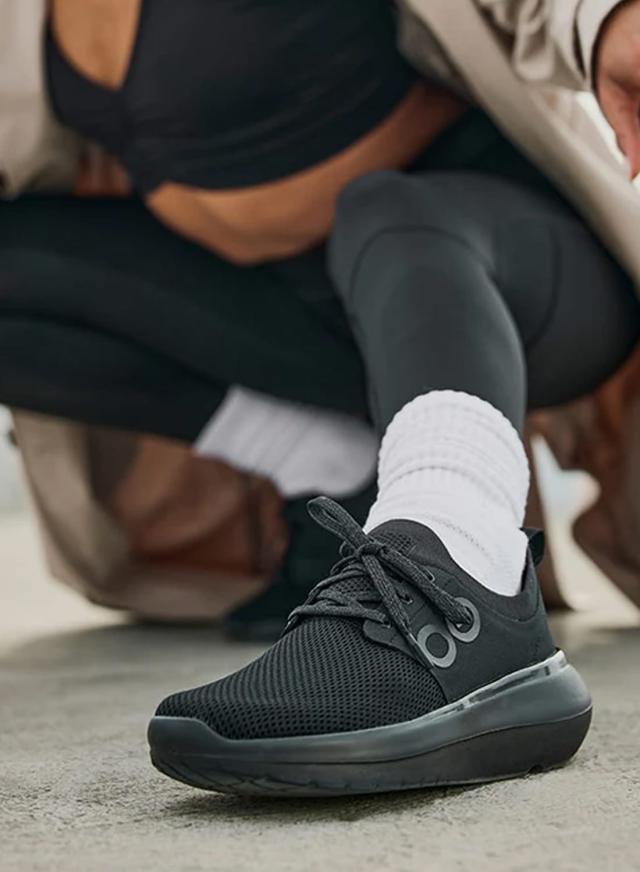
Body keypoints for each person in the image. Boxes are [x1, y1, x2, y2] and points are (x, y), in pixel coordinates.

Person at [3, 0, 640, 795]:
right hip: (289, 319)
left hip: (496, 273)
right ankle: (333, 462)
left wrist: (607, 21)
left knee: (388, 209)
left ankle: (461, 560)